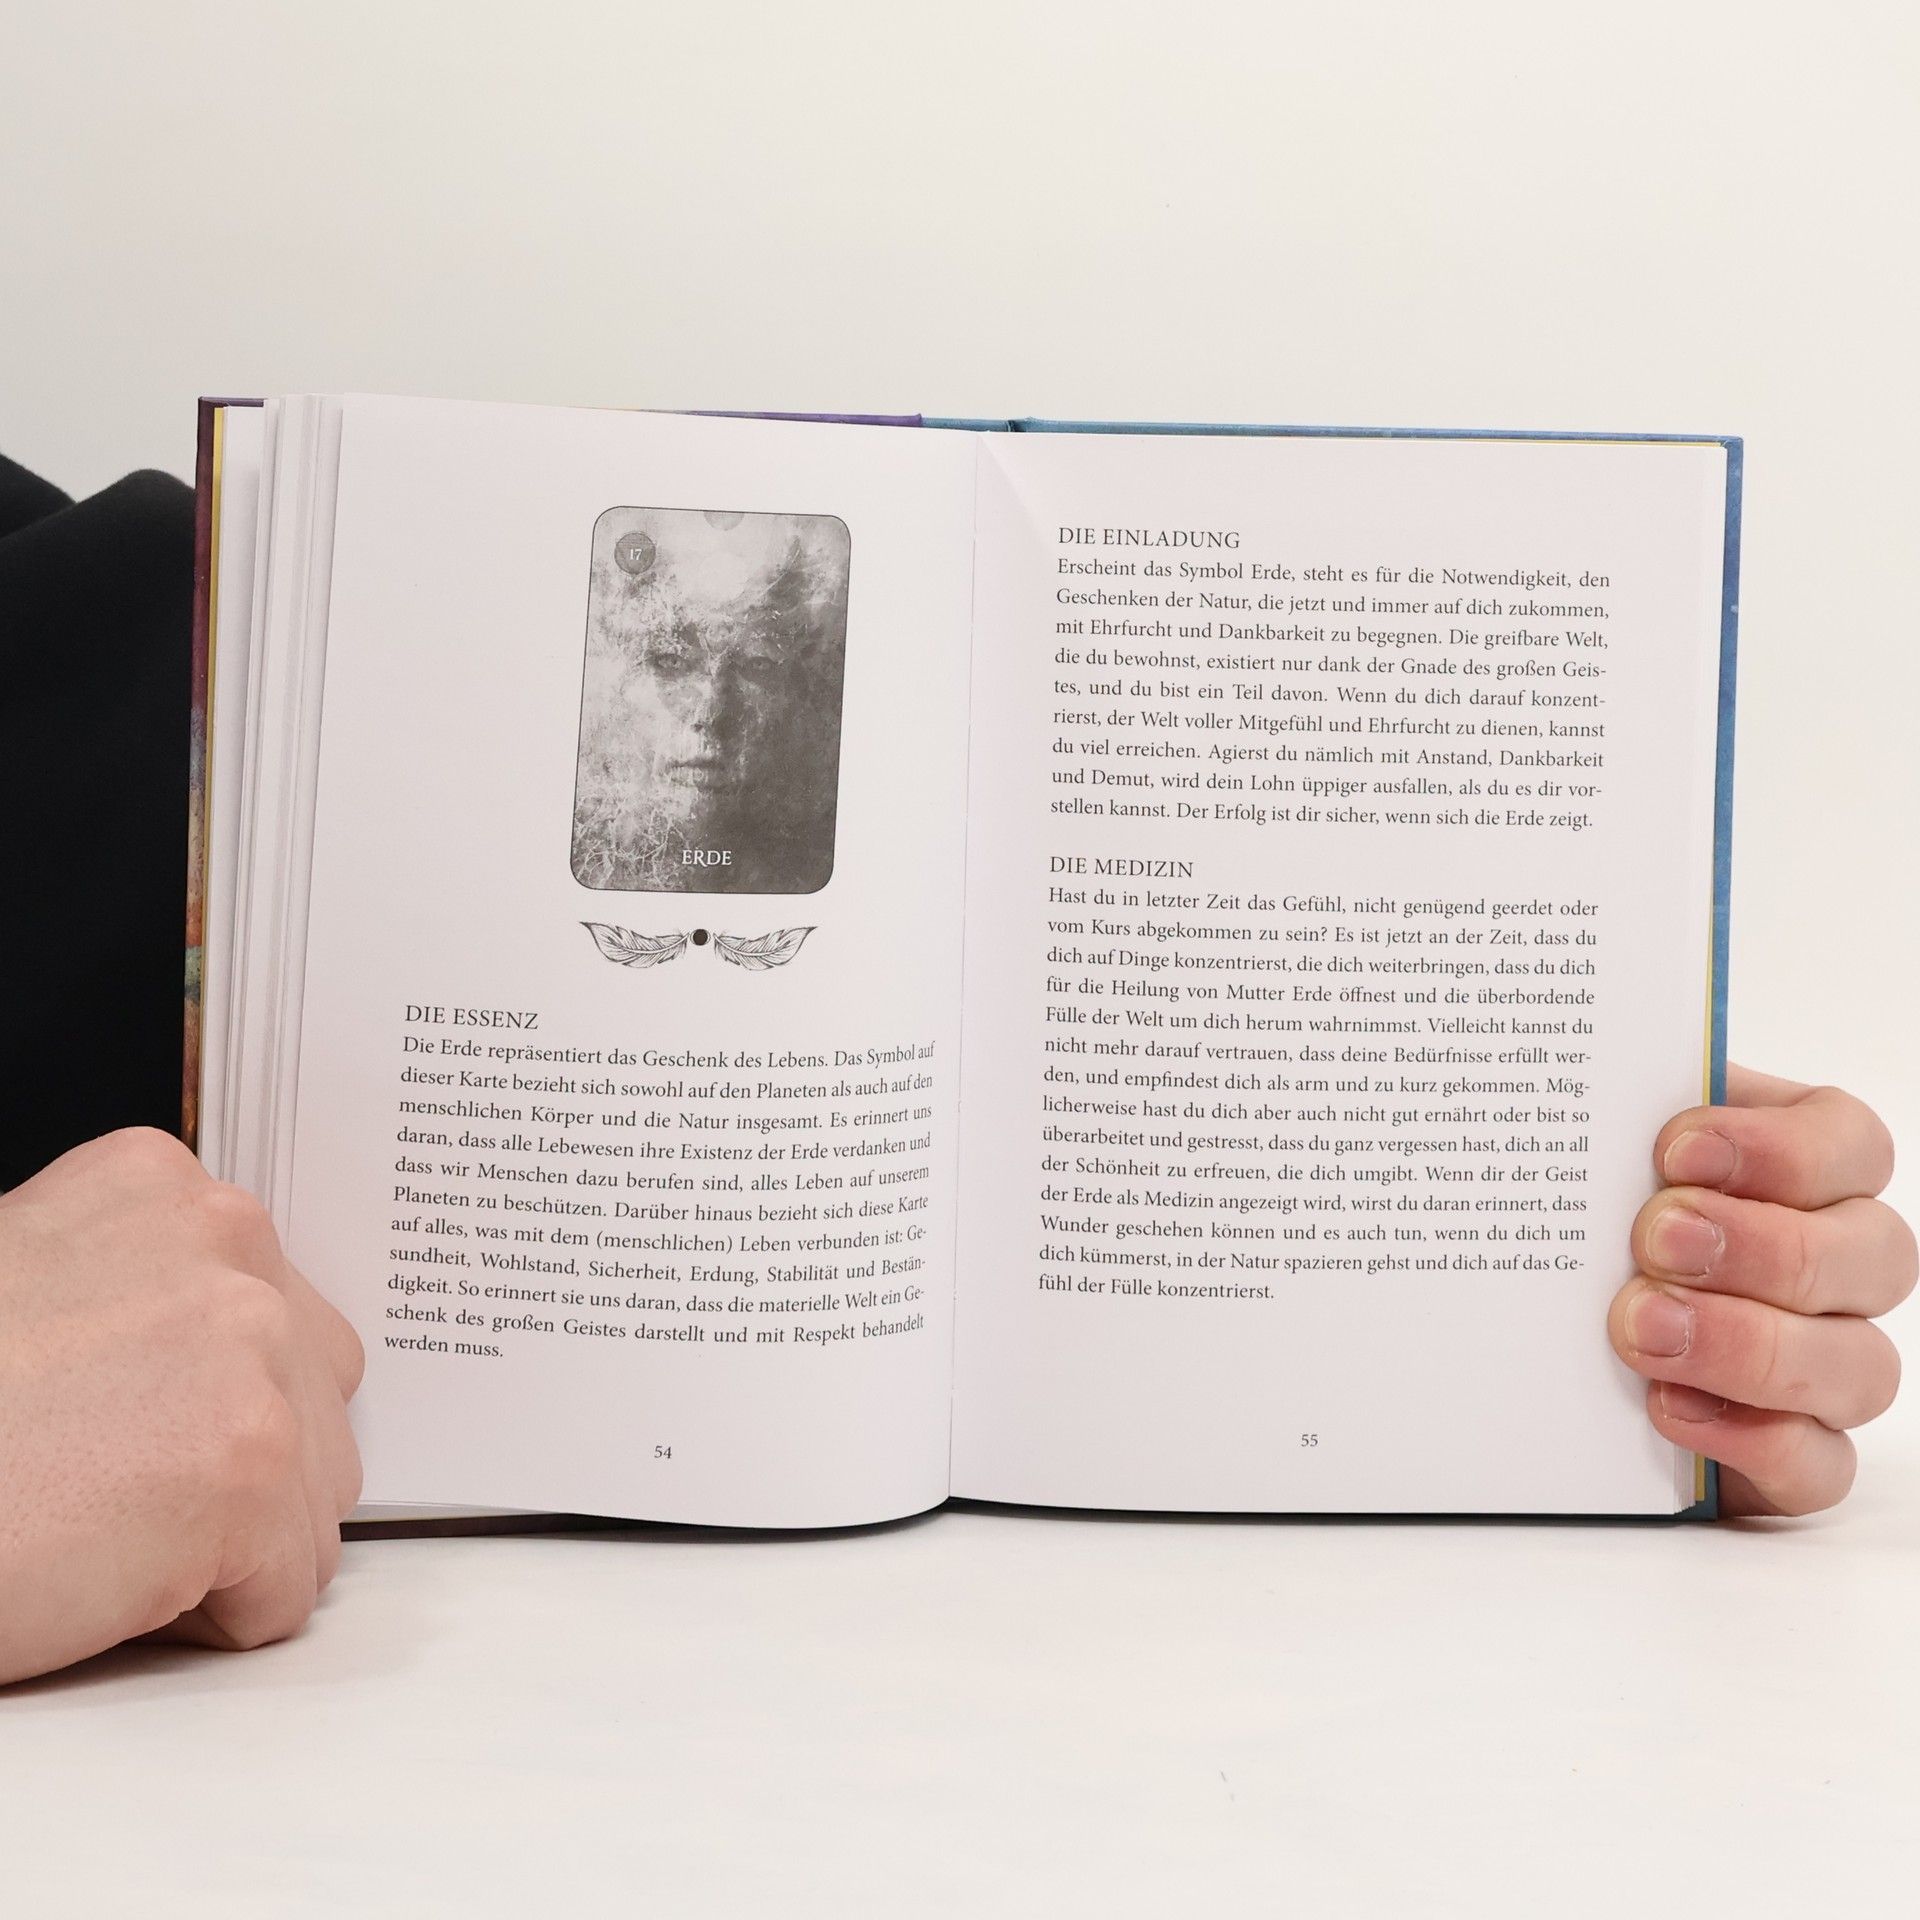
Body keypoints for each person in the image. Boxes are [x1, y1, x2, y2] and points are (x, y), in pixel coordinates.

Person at [1, 459, 1910, 1686]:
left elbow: (117, 843)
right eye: (679, 660)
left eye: (749, 667)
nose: (714, 703)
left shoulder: (162, 675)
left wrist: (1499, 1172)